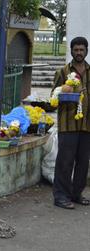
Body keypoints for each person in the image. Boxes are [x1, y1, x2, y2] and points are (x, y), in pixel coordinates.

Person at [52, 37, 90, 209]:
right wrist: (66, 93)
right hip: (68, 124)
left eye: (82, 50)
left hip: (87, 124)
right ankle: (61, 196)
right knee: (65, 162)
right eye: (76, 50)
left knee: (83, 162)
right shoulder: (63, 72)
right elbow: (54, 95)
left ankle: (76, 194)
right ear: (71, 51)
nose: (79, 53)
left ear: (87, 51)